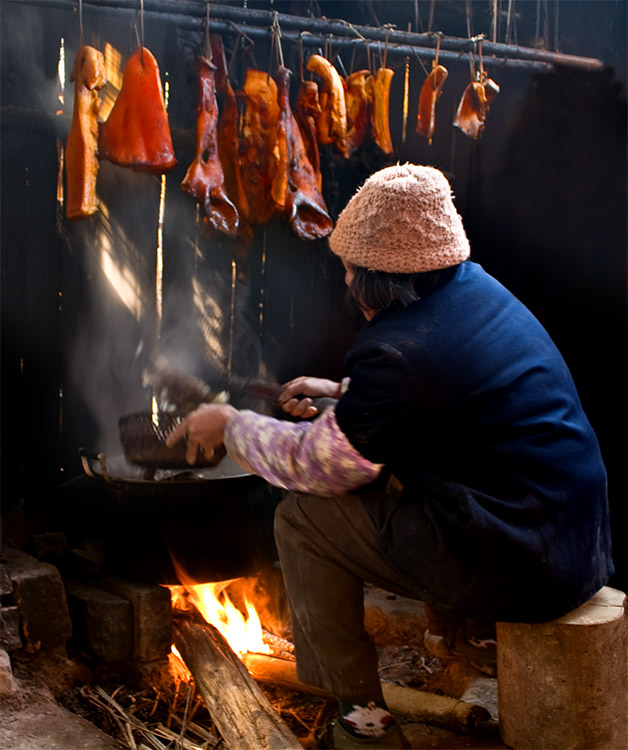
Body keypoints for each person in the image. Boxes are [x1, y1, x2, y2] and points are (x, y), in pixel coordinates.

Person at [167, 164, 614, 749]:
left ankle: (363, 722)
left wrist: (229, 424)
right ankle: (466, 636)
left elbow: (321, 468)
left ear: (377, 281)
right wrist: (341, 394)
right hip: (571, 537)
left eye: (350, 270)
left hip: (523, 563)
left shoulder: (396, 352)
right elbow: (444, 397)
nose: (345, 282)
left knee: (303, 518)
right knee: (403, 477)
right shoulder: (477, 293)